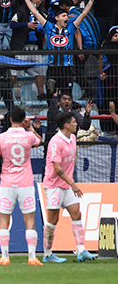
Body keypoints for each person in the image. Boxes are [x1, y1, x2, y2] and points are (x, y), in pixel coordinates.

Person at [20, 0, 99, 100]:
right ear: (57, 18)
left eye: (67, 16)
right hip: (53, 68)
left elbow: (83, 14)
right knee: (52, 97)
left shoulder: (71, 28)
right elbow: (35, 12)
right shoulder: (49, 27)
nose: (66, 17)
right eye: (63, 15)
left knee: (67, 97)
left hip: (67, 68)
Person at [0, 106, 43, 265]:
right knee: (29, 220)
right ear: (23, 119)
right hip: (25, 183)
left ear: (10, 119)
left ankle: (5, 256)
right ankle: (32, 256)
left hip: (7, 183)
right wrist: (30, 127)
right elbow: (38, 141)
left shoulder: (1, 138)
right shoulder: (28, 137)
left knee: (4, 219)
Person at [43, 111, 97, 262]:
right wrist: (73, 184)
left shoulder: (73, 138)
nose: (76, 124)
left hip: (66, 185)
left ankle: (81, 250)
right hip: (54, 186)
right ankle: (47, 254)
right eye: (74, 122)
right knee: (53, 220)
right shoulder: (55, 142)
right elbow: (57, 168)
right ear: (66, 125)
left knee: (76, 214)